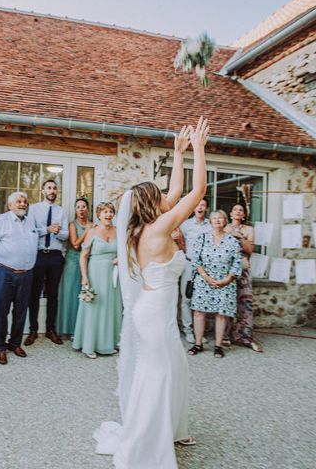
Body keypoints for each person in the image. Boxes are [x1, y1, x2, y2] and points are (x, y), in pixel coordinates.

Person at [94, 118, 208, 468]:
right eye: (159, 195)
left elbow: (174, 194)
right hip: (155, 316)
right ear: (151, 203)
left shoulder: (141, 228)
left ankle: (172, 429)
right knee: (157, 375)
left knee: (173, 369)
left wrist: (178, 154)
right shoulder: (160, 227)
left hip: (153, 312)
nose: (166, 197)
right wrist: (200, 149)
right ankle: (144, 443)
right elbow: (197, 192)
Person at [0, 191, 38, 365]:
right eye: (19, 201)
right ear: (10, 205)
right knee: (2, 310)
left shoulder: (31, 221)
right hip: (4, 273)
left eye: (25, 201)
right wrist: (3, 263)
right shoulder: (1, 221)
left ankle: (15, 343)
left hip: (26, 274)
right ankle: (0, 347)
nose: (23, 204)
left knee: (21, 311)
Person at [188, 209, 242, 359]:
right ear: (210, 221)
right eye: (214, 218)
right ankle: (198, 343)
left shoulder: (232, 241)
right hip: (204, 280)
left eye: (221, 218)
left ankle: (218, 346)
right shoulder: (202, 238)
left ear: (225, 221)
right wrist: (206, 276)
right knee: (199, 312)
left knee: (221, 313)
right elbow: (196, 260)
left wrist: (228, 279)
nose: (218, 220)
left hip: (225, 281)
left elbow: (237, 262)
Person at [72, 201, 122, 358]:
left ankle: (110, 343)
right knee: (95, 307)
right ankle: (89, 345)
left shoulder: (119, 231)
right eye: (105, 212)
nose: (108, 215)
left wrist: (120, 258)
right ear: (99, 215)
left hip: (113, 275)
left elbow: (127, 250)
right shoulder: (92, 232)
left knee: (112, 306)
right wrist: (84, 276)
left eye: (110, 212)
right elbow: (83, 256)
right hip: (95, 272)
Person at [24, 180, 69, 346]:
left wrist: (58, 232)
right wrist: (47, 230)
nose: (52, 190)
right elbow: (30, 231)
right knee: (34, 293)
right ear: (43, 190)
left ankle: (51, 329)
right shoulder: (34, 209)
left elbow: (66, 235)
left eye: (55, 188)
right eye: (49, 188)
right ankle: (33, 330)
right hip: (38, 255)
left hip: (56, 255)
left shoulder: (61, 211)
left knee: (53, 294)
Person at [224, 203, 263, 352]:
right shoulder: (225, 227)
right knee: (227, 299)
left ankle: (244, 335)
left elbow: (250, 250)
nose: (238, 212)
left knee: (244, 300)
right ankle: (226, 335)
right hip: (227, 268)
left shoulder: (249, 230)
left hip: (243, 268)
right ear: (231, 213)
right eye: (235, 209)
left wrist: (240, 237)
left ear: (244, 215)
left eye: (241, 210)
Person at [57, 198, 92, 337]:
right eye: (78, 207)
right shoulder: (72, 225)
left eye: (84, 206)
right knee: (71, 294)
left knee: (84, 294)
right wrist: (87, 231)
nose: (81, 209)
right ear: (75, 210)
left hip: (87, 262)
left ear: (88, 209)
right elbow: (76, 244)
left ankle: (82, 329)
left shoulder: (93, 225)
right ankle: (68, 329)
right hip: (72, 261)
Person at [179, 198, 211, 343]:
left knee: (201, 299)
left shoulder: (210, 226)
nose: (200, 207)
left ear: (206, 208)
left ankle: (199, 332)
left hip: (205, 267)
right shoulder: (185, 225)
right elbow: (179, 243)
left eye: (203, 205)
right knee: (187, 297)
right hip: (189, 264)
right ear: (193, 208)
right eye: (197, 205)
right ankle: (188, 330)